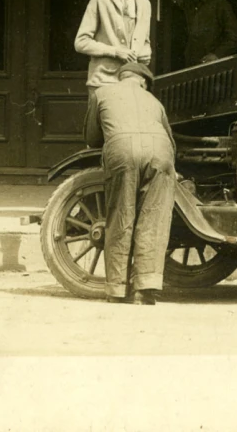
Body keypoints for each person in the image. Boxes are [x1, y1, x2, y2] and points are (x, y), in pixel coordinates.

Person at [85, 61, 176, 304]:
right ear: (144, 82)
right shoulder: (154, 102)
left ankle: (116, 289)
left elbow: (92, 137)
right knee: (154, 217)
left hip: (122, 151)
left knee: (120, 214)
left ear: (121, 77)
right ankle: (145, 289)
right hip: (160, 151)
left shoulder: (101, 93)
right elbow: (170, 138)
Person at [75, 0, 153, 90]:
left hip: (133, 82)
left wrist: (145, 53)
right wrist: (115, 51)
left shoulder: (144, 3)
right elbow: (81, 42)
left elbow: (145, 41)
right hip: (103, 82)